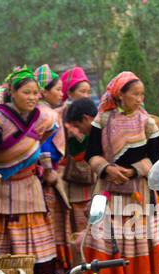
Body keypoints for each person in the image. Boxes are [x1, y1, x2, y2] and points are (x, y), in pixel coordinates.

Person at [83, 71, 159, 274]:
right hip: (107, 188)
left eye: (142, 94)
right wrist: (107, 169)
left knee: (135, 237)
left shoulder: (148, 123)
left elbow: (155, 158)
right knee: (103, 235)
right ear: (120, 95)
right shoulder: (102, 120)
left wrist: (131, 171)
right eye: (135, 94)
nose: (140, 98)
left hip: (137, 192)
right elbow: (91, 153)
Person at [0, 66, 57, 274]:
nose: (32, 98)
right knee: (5, 242)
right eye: (26, 92)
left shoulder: (43, 118)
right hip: (1, 187)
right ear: (12, 92)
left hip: (30, 187)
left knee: (36, 241)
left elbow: (47, 136)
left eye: (35, 93)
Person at [34, 64, 73, 274]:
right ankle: (55, 271)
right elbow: (44, 144)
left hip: (45, 176)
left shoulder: (43, 111)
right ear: (44, 92)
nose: (61, 93)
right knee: (53, 224)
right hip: (47, 178)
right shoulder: (46, 113)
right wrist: (49, 170)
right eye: (57, 89)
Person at [59, 67, 96, 233]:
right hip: (69, 177)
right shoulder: (58, 116)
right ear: (70, 93)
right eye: (82, 91)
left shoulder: (93, 116)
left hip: (92, 176)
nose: (87, 95)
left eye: (89, 91)